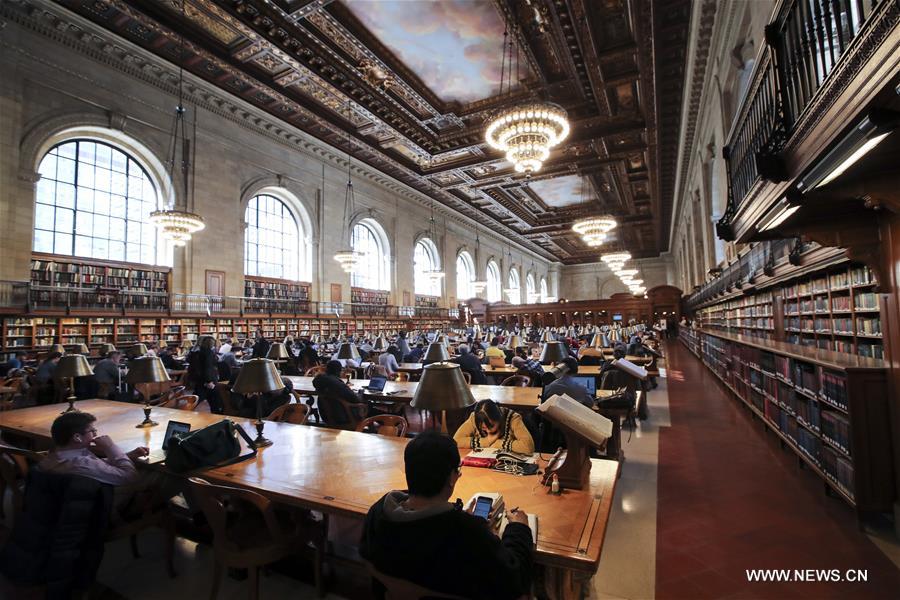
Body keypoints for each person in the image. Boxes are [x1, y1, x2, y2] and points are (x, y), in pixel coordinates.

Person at [360, 431, 532, 599]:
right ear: (451, 477)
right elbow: (515, 580)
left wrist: (459, 516)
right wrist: (519, 528)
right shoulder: (466, 532)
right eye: (458, 470)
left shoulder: (378, 512)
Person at [38, 411, 152, 521]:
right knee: (155, 475)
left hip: (64, 506)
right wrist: (110, 447)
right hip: (97, 509)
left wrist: (127, 455)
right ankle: (143, 520)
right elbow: (130, 476)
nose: (95, 434)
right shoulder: (81, 463)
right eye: (92, 431)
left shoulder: (54, 456)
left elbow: (96, 466)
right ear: (77, 437)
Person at [453, 400, 534, 454]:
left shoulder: (513, 418)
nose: (488, 431)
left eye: (491, 426)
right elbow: (456, 441)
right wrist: (487, 441)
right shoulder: (474, 418)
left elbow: (528, 447)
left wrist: (497, 443)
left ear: (499, 418)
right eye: (483, 428)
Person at [312, 360, 369, 426]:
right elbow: (356, 400)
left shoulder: (319, 380)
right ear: (338, 371)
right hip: (344, 417)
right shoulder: (338, 384)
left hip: (326, 417)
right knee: (370, 407)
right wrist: (361, 393)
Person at [188, 336, 220, 413]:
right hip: (208, 379)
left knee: (198, 397)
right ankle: (217, 415)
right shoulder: (208, 352)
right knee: (214, 400)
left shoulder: (196, 351)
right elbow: (208, 367)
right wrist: (209, 380)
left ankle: (186, 410)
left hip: (199, 378)